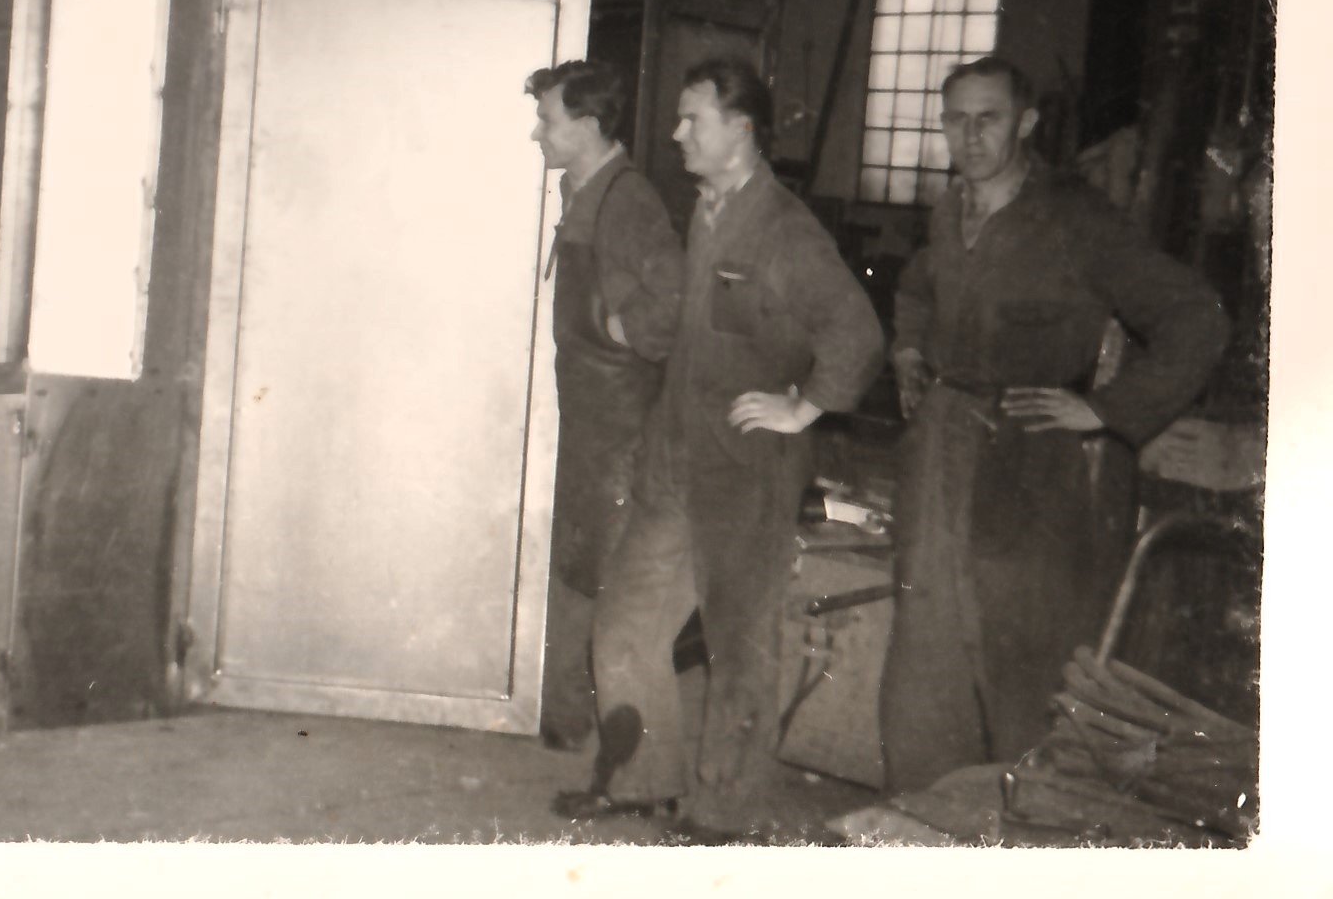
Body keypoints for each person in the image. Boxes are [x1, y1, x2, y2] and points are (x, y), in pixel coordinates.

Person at [879, 56, 1230, 795]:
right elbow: (915, 287)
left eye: (989, 119)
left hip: (1029, 467)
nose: (971, 137)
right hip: (939, 458)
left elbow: (1197, 318)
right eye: (956, 120)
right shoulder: (951, 209)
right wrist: (908, 349)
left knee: (1024, 669)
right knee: (926, 661)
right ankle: (927, 822)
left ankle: (1030, 830)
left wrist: (1108, 409)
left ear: (1027, 123)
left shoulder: (1076, 219)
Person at [564, 57, 884, 836]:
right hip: (674, 458)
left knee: (739, 646)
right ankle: (642, 779)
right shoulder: (705, 212)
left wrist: (804, 407)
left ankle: (725, 814)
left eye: (692, 119)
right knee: (625, 623)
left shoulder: (783, 230)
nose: (676, 133)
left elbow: (857, 333)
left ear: (741, 129)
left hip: (745, 469)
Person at [525, 61, 684, 751]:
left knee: (602, 574)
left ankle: (588, 723)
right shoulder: (584, 188)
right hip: (588, 412)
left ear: (588, 126)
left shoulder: (628, 201)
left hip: (620, 421)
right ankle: (563, 713)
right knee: (577, 560)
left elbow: (674, 304)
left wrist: (618, 330)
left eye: (548, 120)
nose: (537, 134)